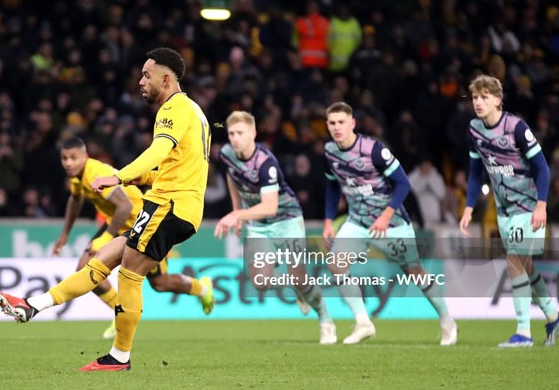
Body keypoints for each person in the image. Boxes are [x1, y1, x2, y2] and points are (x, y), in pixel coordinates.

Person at [0, 48, 211, 371]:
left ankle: (119, 356)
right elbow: (180, 166)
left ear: (166, 79)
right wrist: (142, 177)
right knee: (102, 260)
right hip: (180, 205)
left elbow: (158, 150)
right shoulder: (196, 112)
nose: (140, 82)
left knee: (130, 275)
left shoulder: (173, 108)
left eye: (146, 75)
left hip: (168, 205)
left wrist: (120, 176)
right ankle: (32, 305)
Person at [53, 136, 214, 339]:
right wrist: (65, 234)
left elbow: (125, 206)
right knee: (84, 266)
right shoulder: (77, 176)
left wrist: (105, 237)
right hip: (118, 223)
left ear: (85, 157)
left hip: (142, 221)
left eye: (73, 158)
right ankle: (119, 311)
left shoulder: (96, 172)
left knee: (161, 283)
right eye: (64, 158)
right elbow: (75, 200)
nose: (68, 163)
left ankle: (202, 288)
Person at [323, 102, 457, 346]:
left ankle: (447, 321)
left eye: (341, 122)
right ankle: (363, 323)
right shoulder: (330, 151)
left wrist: (385, 216)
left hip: (391, 223)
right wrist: (329, 221)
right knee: (335, 265)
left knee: (414, 272)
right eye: (332, 123)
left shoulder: (374, 149)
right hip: (357, 222)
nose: (336, 127)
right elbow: (333, 186)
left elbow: (404, 184)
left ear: (352, 123)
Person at [459, 75, 559, 347]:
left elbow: (542, 168)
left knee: (514, 262)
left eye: (484, 97)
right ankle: (554, 316)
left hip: (527, 206)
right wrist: (469, 207)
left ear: (498, 100)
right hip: (503, 209)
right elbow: (475, 172)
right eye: (475, 97)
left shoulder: (516, 127)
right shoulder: (474, 129)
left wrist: (541, 205)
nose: (478, 102)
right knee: (524, 264)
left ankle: (523, 333)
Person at [214, 111, 334, 344]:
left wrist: (236, 214)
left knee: (300, 279)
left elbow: (270, 207)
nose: (235, 138)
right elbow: (232, 177)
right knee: (261, 282)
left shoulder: (265, 164)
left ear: (253, 133)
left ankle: (325, 319)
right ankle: (292, 281)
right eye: (231, 133)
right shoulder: (227, 153)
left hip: (286, 219)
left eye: (240, 133)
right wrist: (238, 212)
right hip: (258, 223)